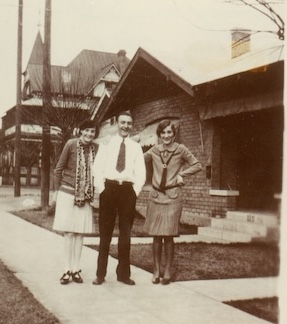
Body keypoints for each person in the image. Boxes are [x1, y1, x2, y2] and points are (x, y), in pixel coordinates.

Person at [143, 119, 202, 285]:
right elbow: (137, 160)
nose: (166, 136)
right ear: (159, 135)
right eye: (163, 133)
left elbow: (197, 165)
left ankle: (167, 271)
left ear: (174, 134)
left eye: (169, 132)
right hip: (155, 197)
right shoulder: (154, 150)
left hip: (173, 197)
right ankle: (156, 271)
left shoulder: (180, 149)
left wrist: (183, 174)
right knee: (156, 236)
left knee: (168, 236)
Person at [92, 111, 146, 286]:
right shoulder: (107, 144)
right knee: (105, 234)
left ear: (132, 125)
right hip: (109, 189)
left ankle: (123, 274)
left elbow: (141, 173)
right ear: (117, 124)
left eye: (128, 123)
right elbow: (97, 168)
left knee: (125, 235)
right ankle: (100, 274)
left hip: (127, 191)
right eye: (122, 122)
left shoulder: (136, 147)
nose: (125, 126)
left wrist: (134, 191)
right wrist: (101, 189)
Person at [52, 119, 99, 285]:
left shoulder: (96, 148)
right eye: (86, 131)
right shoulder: (71, 144)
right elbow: (58, 169)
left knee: (80, 233)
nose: (89, 134)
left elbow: (97, 173)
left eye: (92, 132)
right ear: (80, 130)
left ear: (95, 134)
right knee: (69, 233)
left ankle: (76, 269)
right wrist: (56, 192)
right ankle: (66, 269)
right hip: (67, 193)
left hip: (85, 196)